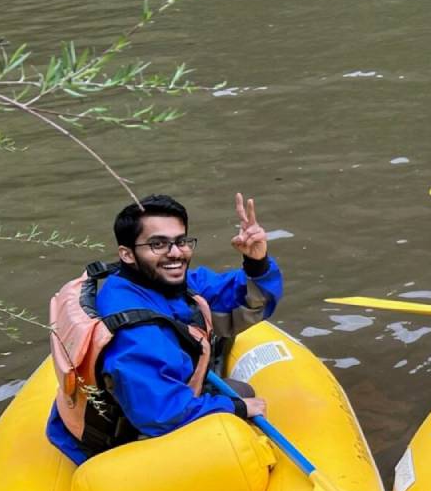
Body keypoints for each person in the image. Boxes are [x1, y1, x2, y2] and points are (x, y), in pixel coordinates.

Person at [47, 193, 280, 464]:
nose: (175, 253)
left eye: (181, 241)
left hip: (146, 405)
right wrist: (236, 408)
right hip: (128, 438)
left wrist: (257, 261)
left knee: (240, 390)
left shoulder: (159, 281)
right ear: (127, 254)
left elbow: (245, 298)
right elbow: (160, 413)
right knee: (241, 401)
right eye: (158, 244)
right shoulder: (137, 332)